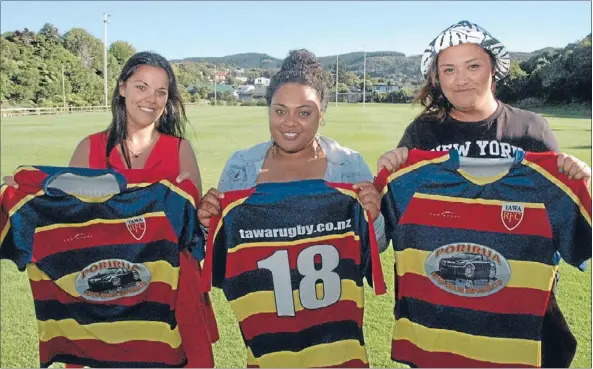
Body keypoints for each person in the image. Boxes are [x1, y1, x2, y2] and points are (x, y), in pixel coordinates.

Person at [376, 20, 590, 368]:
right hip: (441, 330)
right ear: (437, 78)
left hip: (523, 328)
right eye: (449, 70)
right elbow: (389, 225)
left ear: (494, 69)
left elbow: (564, 218)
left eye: (472, 66)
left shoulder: (530, 128)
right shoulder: (421, 133)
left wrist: (577, 179)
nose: (461, 79)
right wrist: (393, 169)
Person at [2, 51, 217, 368]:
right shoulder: (89, 148)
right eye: (142, 87)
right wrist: (26, 196)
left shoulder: (181, 150)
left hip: (170, 293)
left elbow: (194, 236)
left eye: (161, 92)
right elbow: (67, 223)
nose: (151, 99)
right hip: (101, 297)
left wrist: (204, 215)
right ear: (122, 88)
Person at [197, 49, 386, 251]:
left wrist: (374, 219)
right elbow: (222, 251)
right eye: (280, 111)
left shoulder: (350, 167)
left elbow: (378, 247)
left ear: (321, 115)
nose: (289, 122)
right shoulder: (240, 167)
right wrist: (208, 225)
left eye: (304, 113)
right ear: (269, 110)